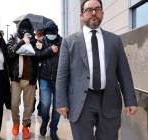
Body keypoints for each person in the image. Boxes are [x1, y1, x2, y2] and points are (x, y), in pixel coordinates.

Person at [56, 0, 138, 140]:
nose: (94, 13)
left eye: (97, 9)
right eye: (89, 10)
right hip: (81, 102)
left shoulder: (115, 40)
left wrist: (130, 99)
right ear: (81, 14)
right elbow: (62, 75)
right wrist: (61, 102)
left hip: (109, 99)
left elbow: (124, 72)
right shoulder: (69, 42)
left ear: (102, 13)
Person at [7, 18, 38, 139]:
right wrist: (21, 42)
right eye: (22, 28)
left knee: (29, 106)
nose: (25, 30)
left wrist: (35, 43)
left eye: (28, 28)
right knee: (14, 104)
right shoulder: (13, 38)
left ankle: (26, 126)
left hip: (30, 79)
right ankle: (15, 123)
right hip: (16, 79)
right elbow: (9, 53)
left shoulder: (34, 39)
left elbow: (38, 56)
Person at [35, 21, 62, 140]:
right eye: (48, 33)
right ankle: (45, 121)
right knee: (45, 105)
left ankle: (53, 130)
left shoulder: (63, 41)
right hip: (45, 78)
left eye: (53, 33)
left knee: (58, 107)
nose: (50, 35)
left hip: (59, 80)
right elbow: (36, 56)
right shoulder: (42, 41)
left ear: (56, 32)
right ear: (45, 33)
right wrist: (50, 50)